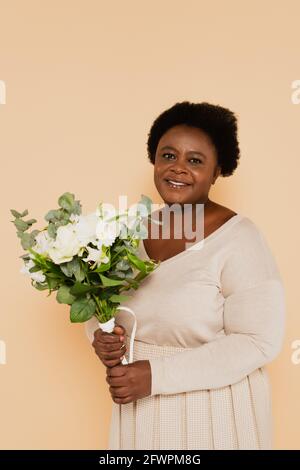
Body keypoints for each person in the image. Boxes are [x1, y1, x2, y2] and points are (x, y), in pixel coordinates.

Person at [85, 101, 286, 450]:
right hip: (139, 409)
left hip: (213, 413)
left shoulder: (240, 239)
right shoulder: (130, 231)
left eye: (195, 161)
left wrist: (155, 376)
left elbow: (258, 341)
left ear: (217, 170)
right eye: (168, 155)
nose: (178, 169)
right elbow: (103, 306)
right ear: (154, 159)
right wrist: (99, 336)